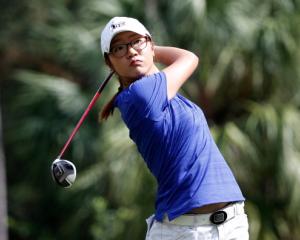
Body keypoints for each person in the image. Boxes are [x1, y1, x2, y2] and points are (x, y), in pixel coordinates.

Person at [99, 16, 249, 240]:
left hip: (231, 224)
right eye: (119, 48)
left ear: (150, 43)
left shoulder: (164, 94)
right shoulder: (141, 95)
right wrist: (149, 49)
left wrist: (144, 49)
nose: (130, 52)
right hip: (185, 232)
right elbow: (189, 58)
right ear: (110, 63)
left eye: (136, 42)